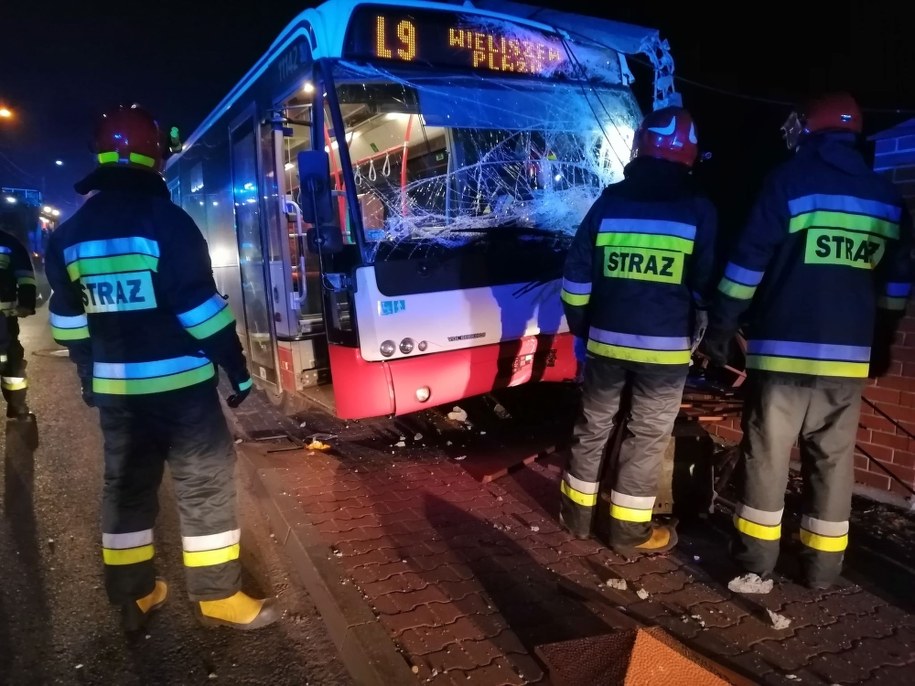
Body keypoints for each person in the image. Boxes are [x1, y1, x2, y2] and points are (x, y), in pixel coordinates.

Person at [46, 103, 279, 631]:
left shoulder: (69, 234)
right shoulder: (168, 222)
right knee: (204, 485)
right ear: (155, 156)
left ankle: (134, 596)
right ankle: (218, 597)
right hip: (183, 393)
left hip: (118, 395)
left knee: (126, 489)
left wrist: (89, 375)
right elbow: (199, 309)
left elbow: (66, 321)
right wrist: (237, 370)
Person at [702, 92, 913, 589]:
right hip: (849, 361)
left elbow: (747, 264)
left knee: (769, 456)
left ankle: (756, 564)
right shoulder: (885, 198)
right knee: (834, 462)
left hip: (783, 353)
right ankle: (821, 569)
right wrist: (882, 340)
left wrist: (723, 325)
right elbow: (897, 282)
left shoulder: (789, 183)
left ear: (811, 131)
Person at [558, 106, 718, 554]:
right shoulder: (699, 209)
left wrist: (581, 329)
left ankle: (576, 520)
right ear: (689, 155)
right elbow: (705, 286)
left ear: (641, 146)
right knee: (646, 436)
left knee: (593, 426)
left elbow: (575, 279)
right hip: (665, 355)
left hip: (605, 342)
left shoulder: (610, 200)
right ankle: (628, 532)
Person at [0, 227, 37, 420]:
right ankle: (17, 405)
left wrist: (26, 304)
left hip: (3, 320)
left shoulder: (9, 243)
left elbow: (25, 277)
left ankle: (17, 405)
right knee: (11, 365)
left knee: (12, 364)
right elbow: (25, 277)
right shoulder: (9, 243)